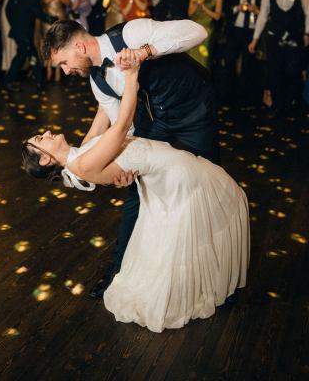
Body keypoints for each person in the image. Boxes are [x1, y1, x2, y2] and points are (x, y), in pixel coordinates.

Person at [22, 49, 249, 333]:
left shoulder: (79, 152)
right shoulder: (81, 163)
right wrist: (131, 76)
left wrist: (99, 66)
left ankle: (215, 281)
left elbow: (103, 111)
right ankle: (211, 285)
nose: (46, 133)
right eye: (41, 139)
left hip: (167, 167)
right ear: (45, 159)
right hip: (175, 172)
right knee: (224, 202)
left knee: (208, 215)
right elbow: (121, 127)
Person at [43, 17, 219, 298]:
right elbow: (125, 130)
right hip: (156, 120)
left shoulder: (131, 33)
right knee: (137, 194)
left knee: (206, 186)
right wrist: (125, 167)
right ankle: (119, 270)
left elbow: (198, 31)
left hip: (193, 110)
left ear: (79, 47)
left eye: (63, 63)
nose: (65, 72)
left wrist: (145, 52)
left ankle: (216, 276)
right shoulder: (97, 81)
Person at [249, 0, 309, 116]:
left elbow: (308, 10)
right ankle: (278, 106)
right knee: (275, 71)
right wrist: (255, 39)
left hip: (295, 37)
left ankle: (294, 102)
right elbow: (263, 17)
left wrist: (307, 32)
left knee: (293, 70)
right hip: (274, 37)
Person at [5, 0, 58, 88]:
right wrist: (52, 19)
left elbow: (8, 10)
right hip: (24, 32)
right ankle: (8, 80)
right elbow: (38, 13)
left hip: (18, 30)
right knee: (22, 55)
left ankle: (40, 81)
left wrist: (14, 24)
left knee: (31, 54)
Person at [223, 0, 263, 106]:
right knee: (229, 61)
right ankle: (228, 94)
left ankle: (245, 96)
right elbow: (226, 9)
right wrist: (237, 8)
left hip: (252, 31)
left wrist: (256, 10)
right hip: (236, 30)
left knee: (248, 64)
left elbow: (266, 13)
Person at [187, 0, 223, 70]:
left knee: (203, 58)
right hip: (194, 27)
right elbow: (190, 13)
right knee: (190, 56)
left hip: (206, 29)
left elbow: (217, 16)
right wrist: (199, 0)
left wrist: (204, 8)